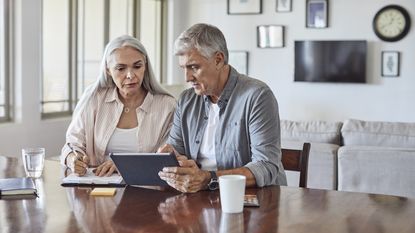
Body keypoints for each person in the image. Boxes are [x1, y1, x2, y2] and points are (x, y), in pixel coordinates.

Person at [158, 23, 286, 193]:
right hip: (201, 200)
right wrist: (171, 159)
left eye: (194, 67)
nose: (187, 77)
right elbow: (177, 151)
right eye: (183, 68)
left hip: (255, 199)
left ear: (218, 60)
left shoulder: (257, 96)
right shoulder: (187, 100)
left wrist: (209, 179)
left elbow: (266, 166)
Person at [61, 35, 176, 177]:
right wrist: (73, 159)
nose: (130, 75)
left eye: (137, 66)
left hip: (146, 190)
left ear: (145, 65)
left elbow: (168, 158)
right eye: (121, 68)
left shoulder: (167, 106)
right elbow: (71, 144)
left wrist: (123, 164)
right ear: (108, 70)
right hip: (98, 188)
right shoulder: (94, 99)